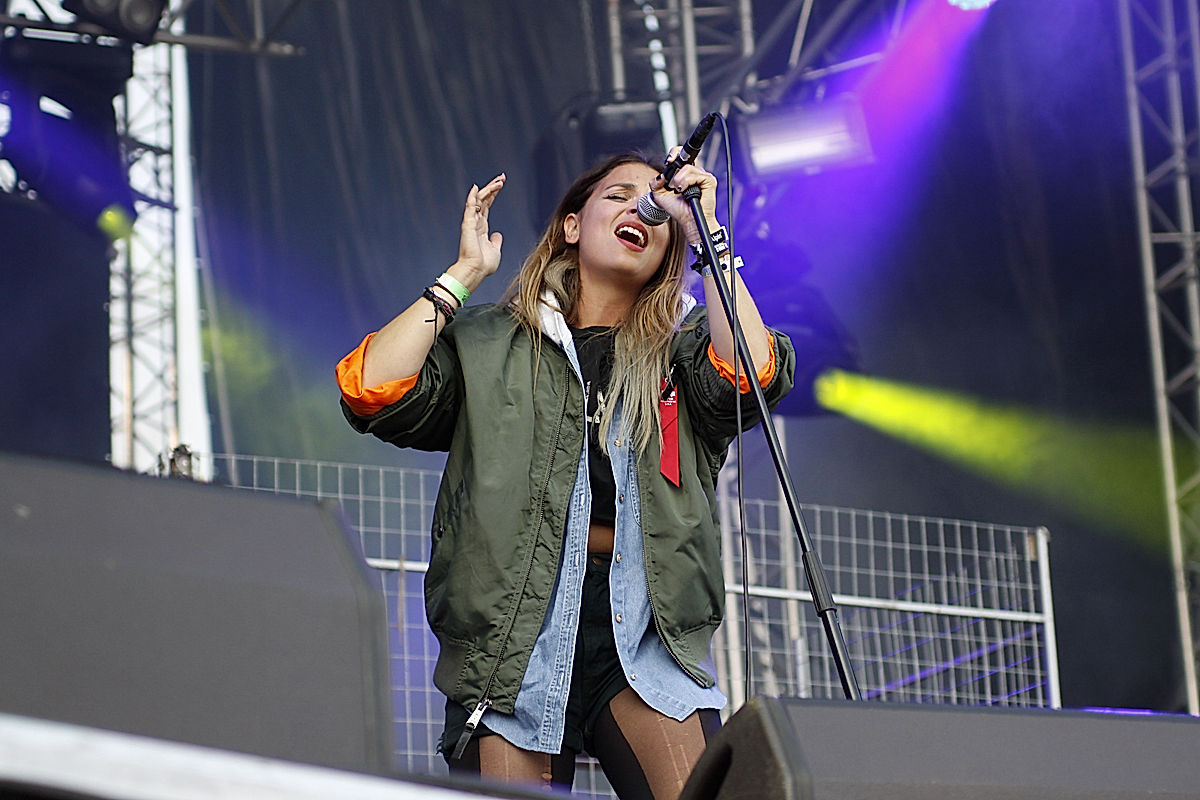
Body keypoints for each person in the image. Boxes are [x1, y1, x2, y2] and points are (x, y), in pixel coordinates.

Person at [335, 150, 796, 799]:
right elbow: (372, 390)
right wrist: (461, 276)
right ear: (573, 225)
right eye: (618, 194)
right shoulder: (491, 341)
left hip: (644, 633)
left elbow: (752, 373)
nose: (641, 207)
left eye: (657, 208)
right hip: (511, 638)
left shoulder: (680, 352)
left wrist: (706, 235)